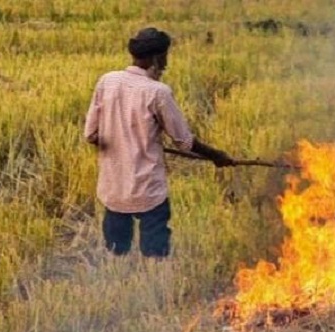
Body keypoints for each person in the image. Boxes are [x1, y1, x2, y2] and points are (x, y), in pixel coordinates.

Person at [84, 27, 234, 258]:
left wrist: (122, 139)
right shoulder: (158, 92)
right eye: (165, 57)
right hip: (147, 189)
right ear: (156, 58)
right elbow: (184, 141)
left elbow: (91, 135)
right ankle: (154, 280)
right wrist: (217, 156)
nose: (166, 64)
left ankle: (120, 285)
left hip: (113, 187)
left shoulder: (107, 81)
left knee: (115, 254)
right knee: (155, 257)